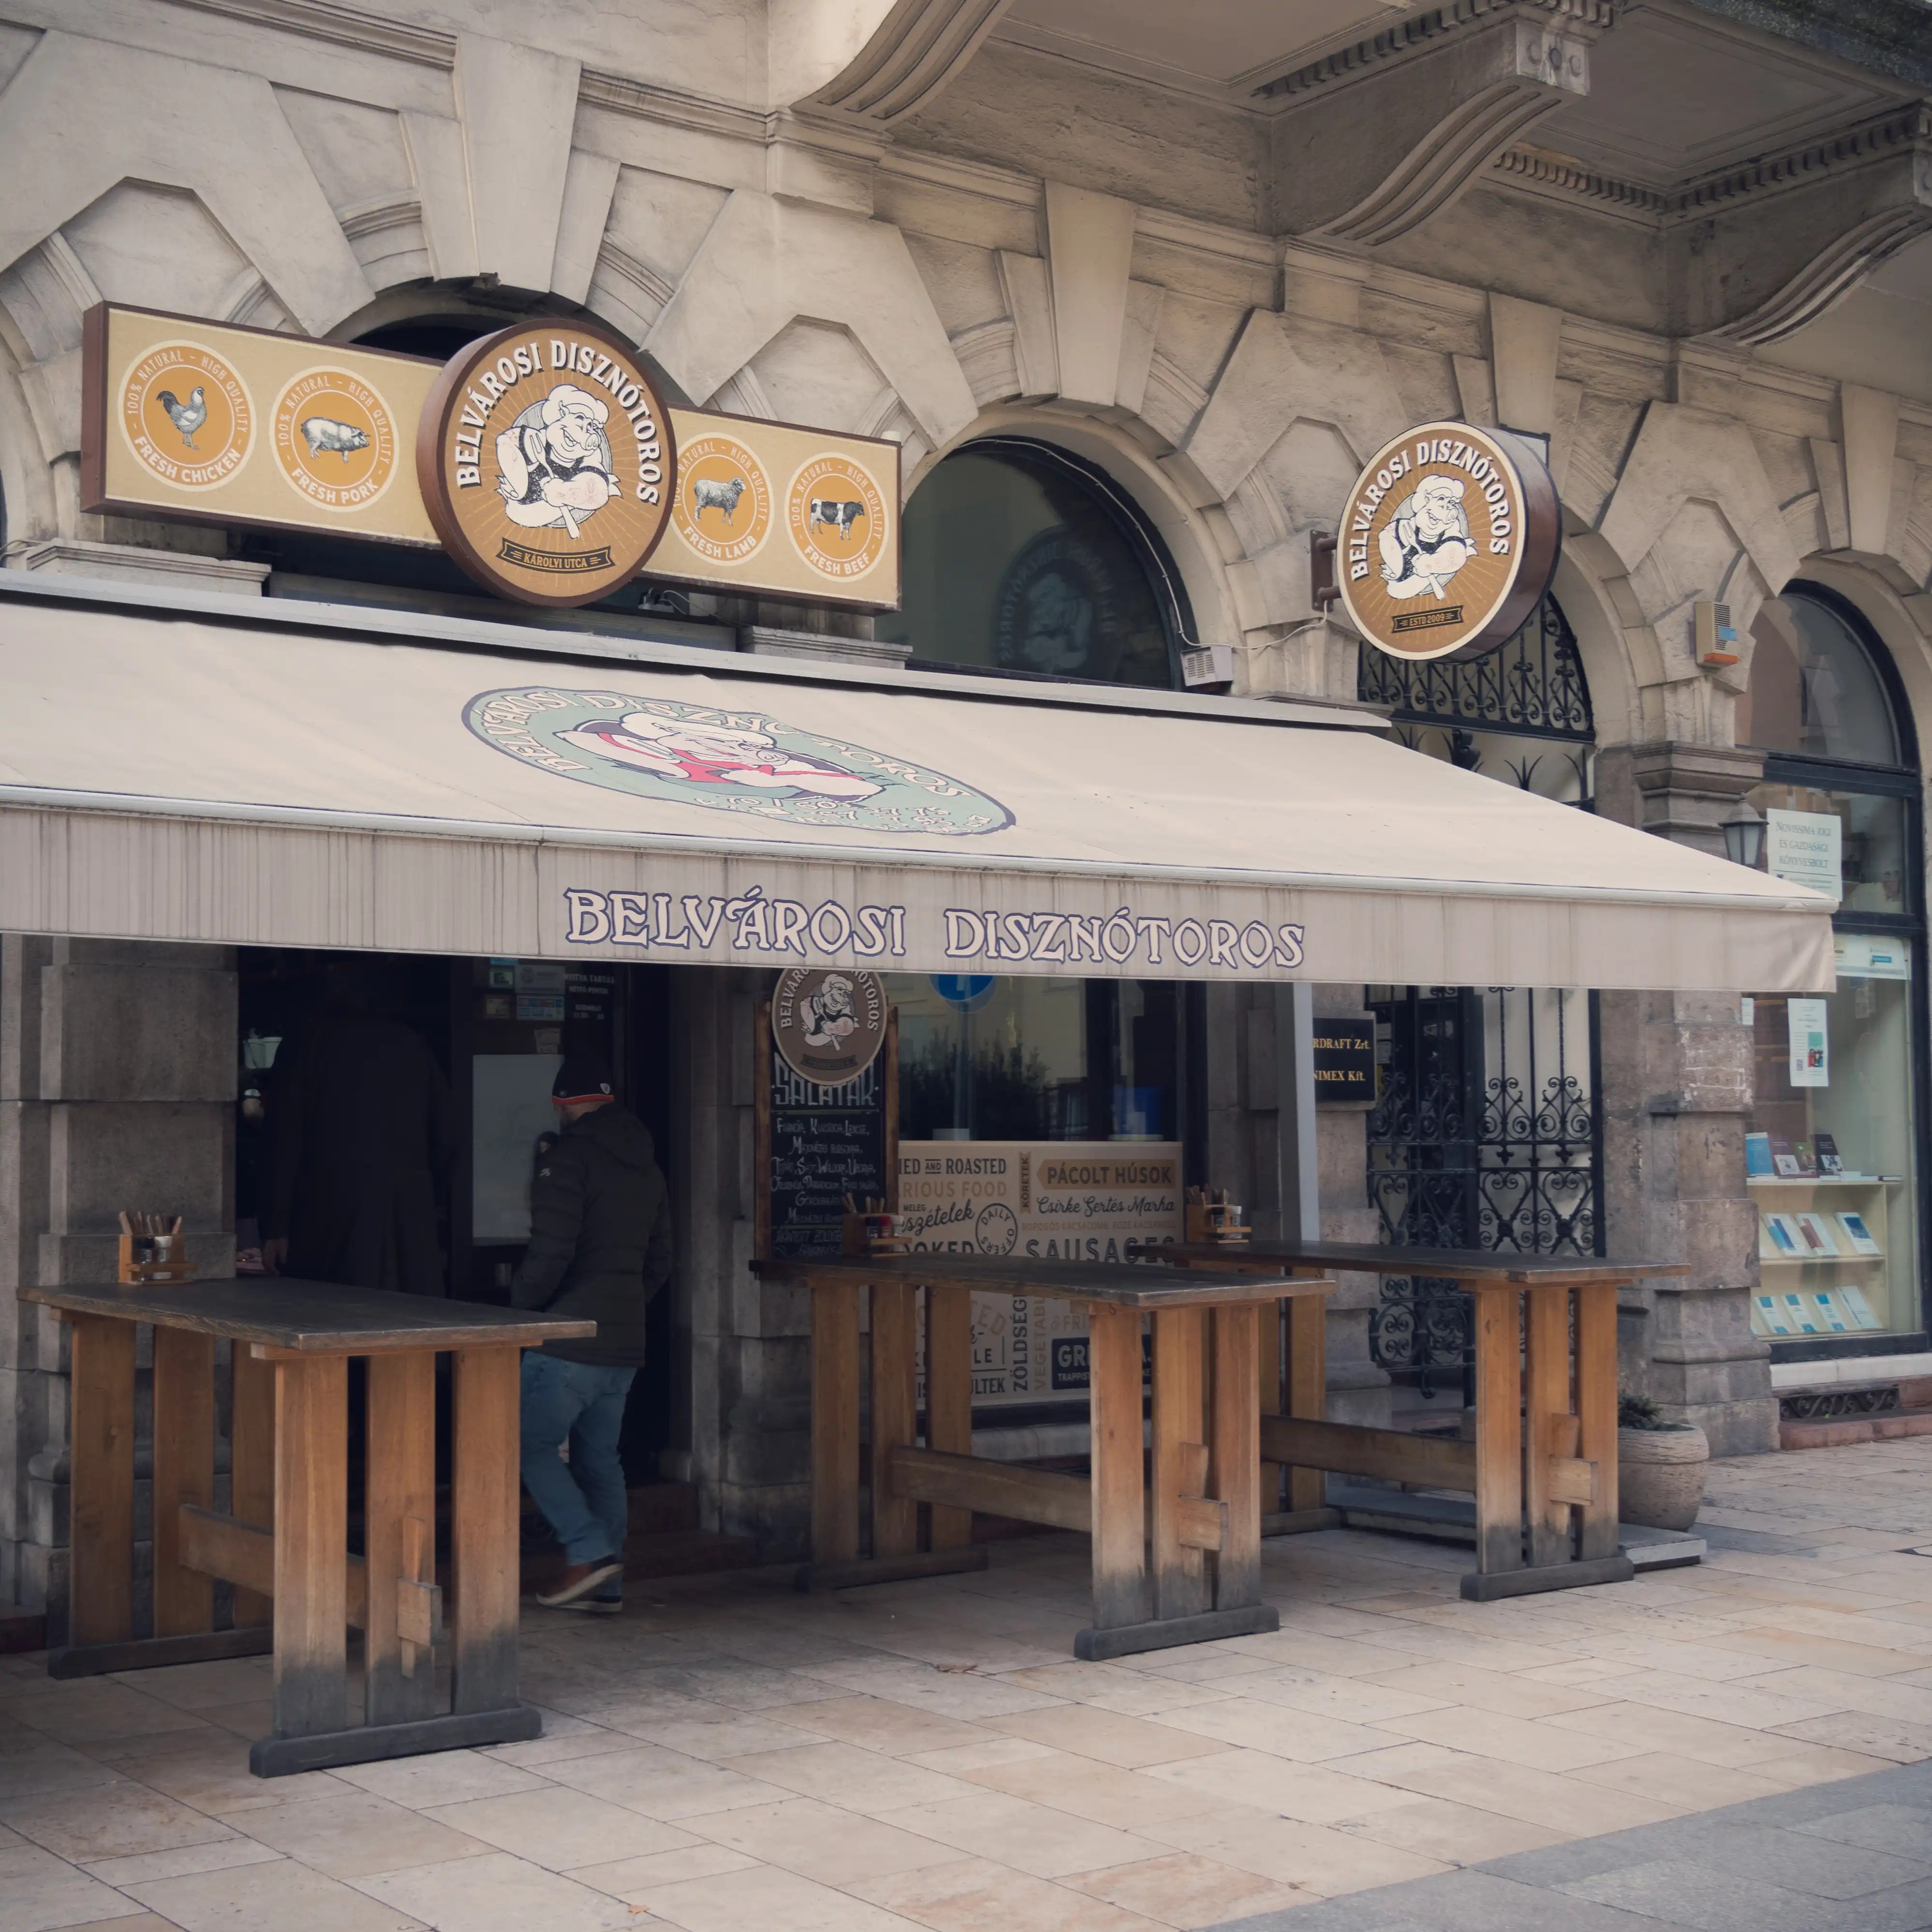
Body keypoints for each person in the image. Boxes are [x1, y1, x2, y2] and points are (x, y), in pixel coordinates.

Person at [513, 1054, 672, 1612]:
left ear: (561, 1104)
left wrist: (518, 1310)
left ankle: (588, 1551)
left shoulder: (567, 1159)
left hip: (567, 1341)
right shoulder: (647, 1166)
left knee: (526, 1445)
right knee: (600, 1460)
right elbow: (660, 1261)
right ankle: (605, 1589)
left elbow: (550, 1253)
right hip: (623, 1343)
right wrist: (621, 1306)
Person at [264, 960, 451, 1295]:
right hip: (408, 1210)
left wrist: (275, 1227)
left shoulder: (307, 1044)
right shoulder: (411, 1044)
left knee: (334, 1311)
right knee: (412, 1313)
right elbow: (445, 1135)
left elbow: (283, 1142)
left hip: (330, 1211)